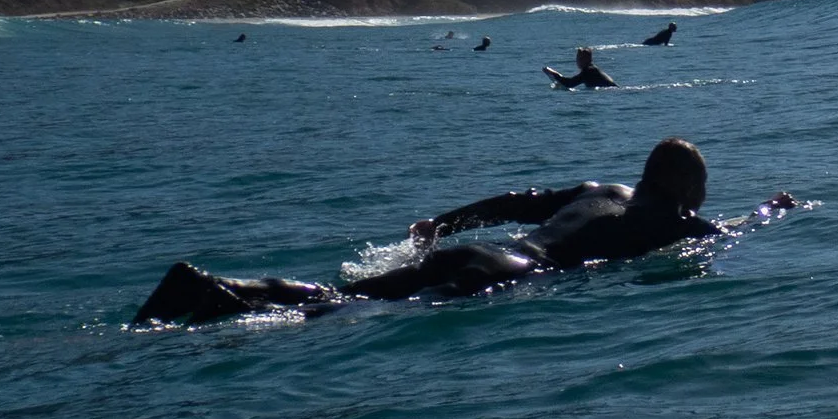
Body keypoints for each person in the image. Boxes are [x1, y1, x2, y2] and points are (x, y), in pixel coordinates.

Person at [131, 138, 787, 326]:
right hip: (512, 277)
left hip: (480, 252)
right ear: (685, 191)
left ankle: (214, 287)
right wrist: (774, 208)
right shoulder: (673, 220)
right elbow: (730, 230)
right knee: (338, 314)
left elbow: (516, 199)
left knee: (343, 293)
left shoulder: (600, 190)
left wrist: (442, 222)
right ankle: (215, 303)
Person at [544, 46, 617, 89]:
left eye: (581, 59)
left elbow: (569, 84)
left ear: (589, 59)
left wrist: (552, 73)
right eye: (578, 58)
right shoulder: (592, 70)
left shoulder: (589, 71)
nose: (578, 61)